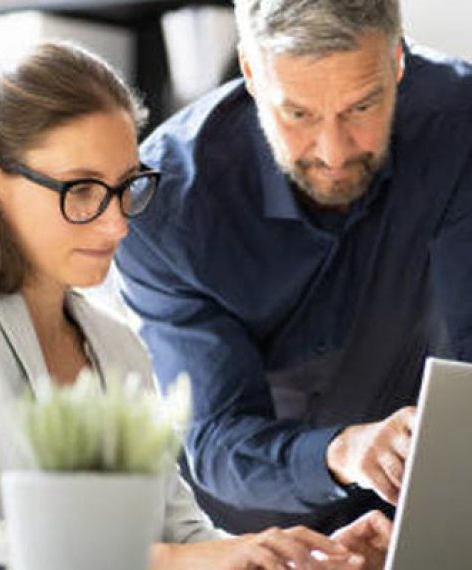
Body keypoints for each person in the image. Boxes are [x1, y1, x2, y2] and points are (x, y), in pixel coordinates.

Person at [0, 41, 391, 570]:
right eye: (82, 189)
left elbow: (184, 537)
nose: (117, 224)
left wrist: (307, 557)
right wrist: (171, 559)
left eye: (126, 187)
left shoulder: (116, 345)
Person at [115, 0, 472, 535]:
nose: (333, 152)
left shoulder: (459, 121)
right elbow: (217, 438)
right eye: (298, 114)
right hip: (256, 542)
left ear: (397, 59)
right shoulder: (165, 210)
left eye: (362, 107)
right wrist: (345, 450)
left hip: (425, 512)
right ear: (252, 73)